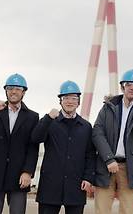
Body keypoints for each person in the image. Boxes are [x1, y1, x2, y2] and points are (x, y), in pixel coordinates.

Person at [92, 69, 133, 214]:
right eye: (129, 84)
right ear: (123, 87)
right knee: (101, 210)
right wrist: (109, 159)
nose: (132, 88)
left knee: (128, 211)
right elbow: (97, 132)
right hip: (106, 166)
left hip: (131, 168)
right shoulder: (108, 107)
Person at [31, 80, 96, 214]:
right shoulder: (50, 122)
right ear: (60, 101)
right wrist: (48, 118)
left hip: (76, 186)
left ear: (78, 102)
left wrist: (88, 178)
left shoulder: (86, 127)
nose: (70, 101)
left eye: (74, 98)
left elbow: (90, 155)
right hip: (50, 185)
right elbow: (36, 138)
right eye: (66, 98)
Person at [0, 73, 40, 214]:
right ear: (5, 90)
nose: (13, 91)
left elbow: (32, 147)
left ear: (23, 92)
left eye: (18, 89)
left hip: (19, 175)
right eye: (10, 88)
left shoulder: (32, 117)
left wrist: (28, 172)